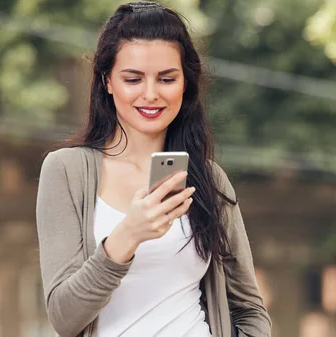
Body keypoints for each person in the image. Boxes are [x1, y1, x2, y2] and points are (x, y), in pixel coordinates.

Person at [35, 2, 271, 336]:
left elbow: (248, 308)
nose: (150, 94)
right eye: (133, 79)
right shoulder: (66, 172)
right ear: (107, 81)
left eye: (166, 78)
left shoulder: (207, 176)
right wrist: (127, 235)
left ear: (185, 83)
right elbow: (64, 316)